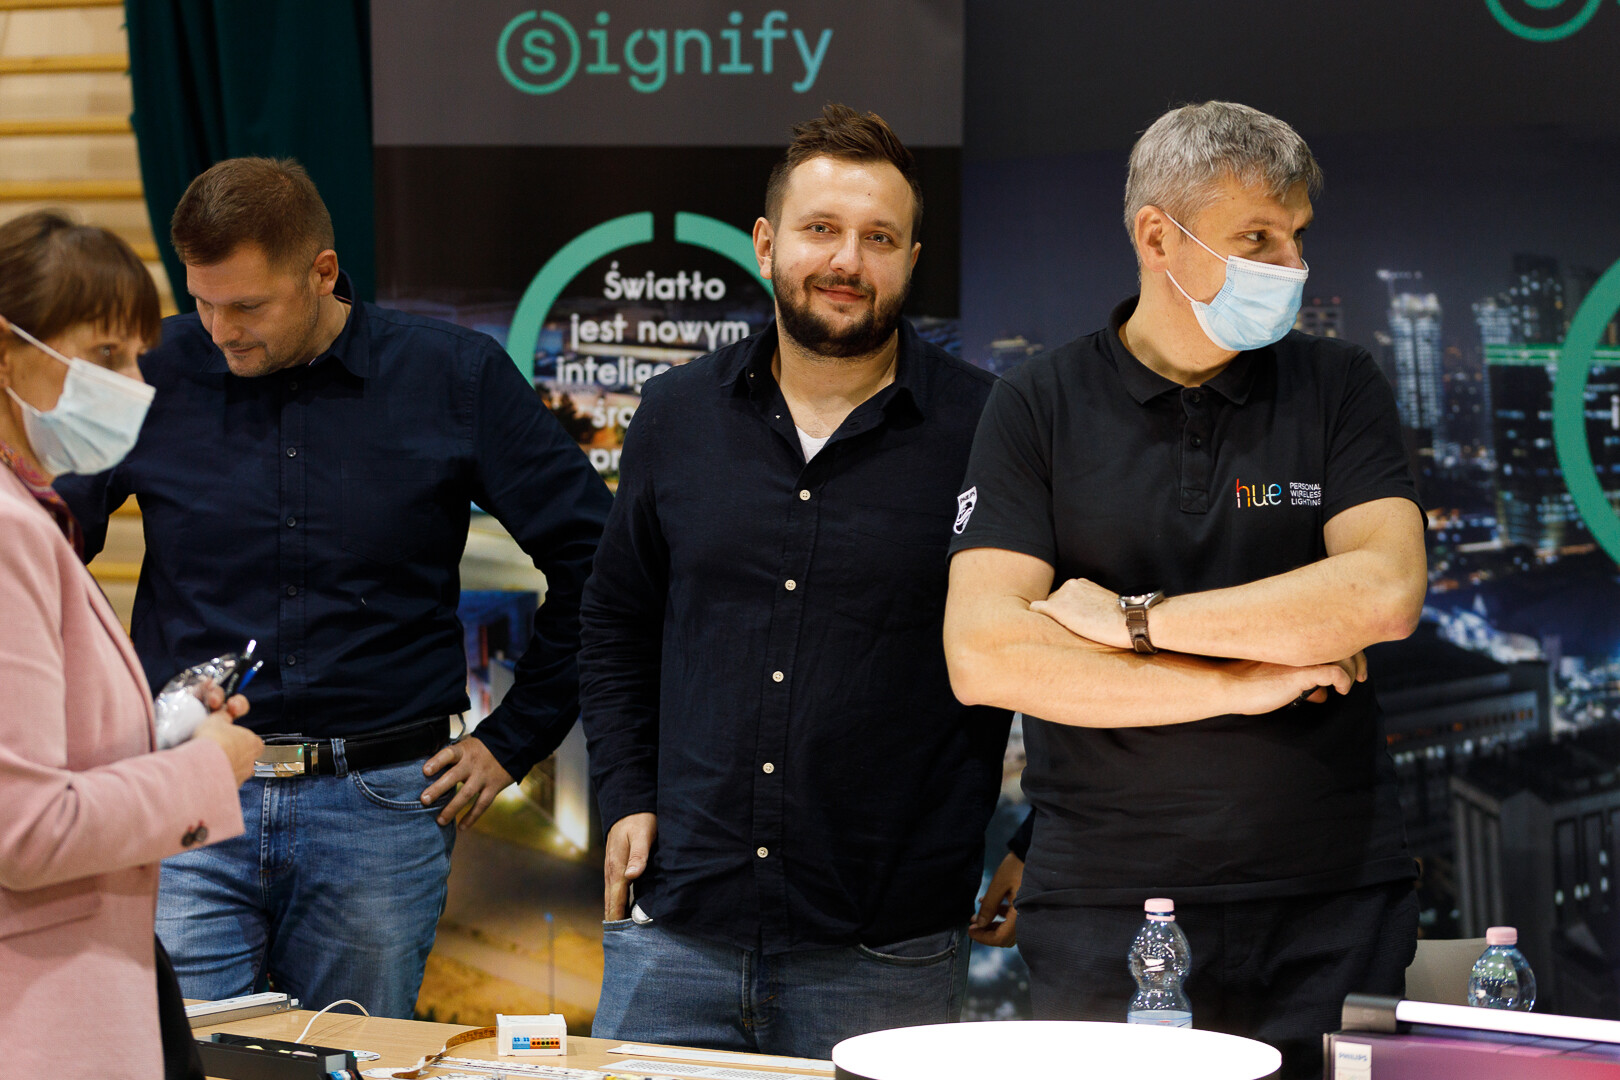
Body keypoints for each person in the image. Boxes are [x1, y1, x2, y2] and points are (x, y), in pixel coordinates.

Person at [55, 158, 613, 1018]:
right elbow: (43, 548)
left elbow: (597, 558)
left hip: (379, 810)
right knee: (184, 1061)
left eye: (247, 307)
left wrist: (516, 739)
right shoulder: (150, 370)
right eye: (202, 302)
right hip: (187, 796)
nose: (219, 331)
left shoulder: (452, 375)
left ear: (322, 273)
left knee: (352, 1062)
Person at [943, 101, 1425, 1079]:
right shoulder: (1038, 403)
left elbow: (1382, 592)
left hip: (1334, 899)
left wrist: (1133, 619)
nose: (1291, 263)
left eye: (1297, 236)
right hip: (1105, 906)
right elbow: (984, 655)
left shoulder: (1338, 385)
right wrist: (1244, 680)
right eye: (1258, 238)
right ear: (1157, 236)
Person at [578, 104, 1012, 1058]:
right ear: (767, 243)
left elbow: (1045, 639)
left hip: (885, 948)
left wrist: (1039, 835)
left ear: (911, 258)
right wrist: (626, 792)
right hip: (678, 935)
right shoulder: (676, 415)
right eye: (821, 229)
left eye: (879, 238)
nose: (847, 260)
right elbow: (615, 621)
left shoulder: (990, 430)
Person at [0, 210, 263, 1080]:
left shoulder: (27, 508)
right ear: (5, 353)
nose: (131, 384)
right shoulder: (7, 529)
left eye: (135, 357)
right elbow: (27, 831)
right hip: (39, 1010)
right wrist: (207, 768)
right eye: (103, 355)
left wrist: (158, 731)